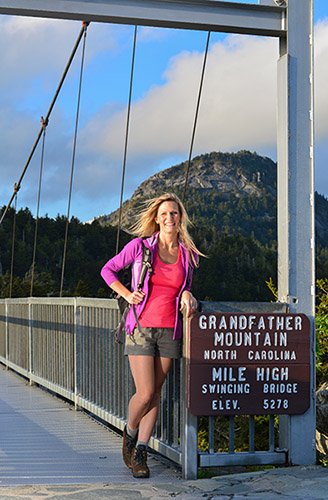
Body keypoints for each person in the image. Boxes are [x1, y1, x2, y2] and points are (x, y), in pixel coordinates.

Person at [100, 193, 203, 479]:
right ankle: (130, 431)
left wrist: (187, 293)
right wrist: (127, 294)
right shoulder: (140, 247)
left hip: (171, 329)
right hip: (141, 326)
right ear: (156, 219)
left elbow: (185, 285)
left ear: (180, 217)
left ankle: (141, 452)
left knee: (156, 393)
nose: (170, 218)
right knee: (145, 392)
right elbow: (107, 270)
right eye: (165, 214)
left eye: (174, 213)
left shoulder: (188, 254)